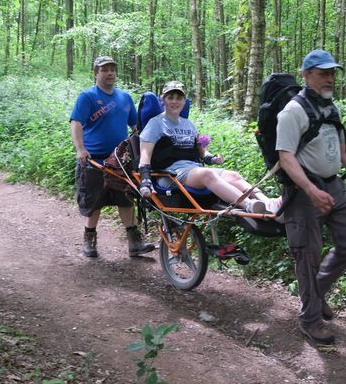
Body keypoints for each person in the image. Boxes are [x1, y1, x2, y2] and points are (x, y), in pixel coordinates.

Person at [276, 49, 346, 345]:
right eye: (323, 73)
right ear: (306, 75)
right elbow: (285, 157)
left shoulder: (331, 108)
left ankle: (316, 295)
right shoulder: (292, 111)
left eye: (332, 72)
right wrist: (310, 189)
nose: (329, 78)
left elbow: (344, 151)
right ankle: (310, 320)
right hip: (303, 194)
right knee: (307, 255)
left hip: (334, 187)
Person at [138, 81, 270, 214]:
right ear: (163, 100)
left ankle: (266, 202)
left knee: (234, 176)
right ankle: (249, 205)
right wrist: (145, 179)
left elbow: (201, 152)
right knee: (207, 174)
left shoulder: (188, 124)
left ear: (184, 101)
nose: (175, 101)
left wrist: (211, 158)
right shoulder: (155, 124)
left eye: (179, 98)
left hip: (193, 170)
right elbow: (145, 154)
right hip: (170, 174)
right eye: (170, 97)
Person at [70, 56, 155, 258]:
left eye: (112, 69)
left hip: (119, 161)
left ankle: (135, 243)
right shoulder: (87, 96)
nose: (109, 73)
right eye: (104, 69)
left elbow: (135, 126)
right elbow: (76, 122)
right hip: (94, 160)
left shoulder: (124, 98)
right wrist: (80, 148)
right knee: (94, 201)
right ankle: (89, 240)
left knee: (125, 199)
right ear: (96, 73)